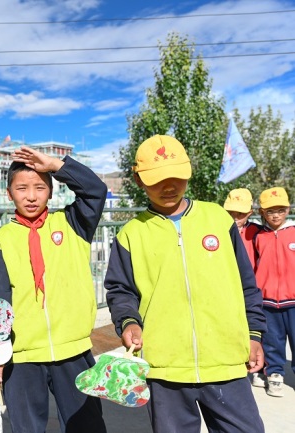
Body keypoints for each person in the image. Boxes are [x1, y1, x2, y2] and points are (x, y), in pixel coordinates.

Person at [105, 135, 266, 433]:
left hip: (227, 361)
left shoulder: (218, 218)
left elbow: (247, 284)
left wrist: (254, 334)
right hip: (165, 369)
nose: (168, 187)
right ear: (138, 180)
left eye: (176, 177)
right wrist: (128, 322)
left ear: (188, 172)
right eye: (156, 180)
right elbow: (120, 291)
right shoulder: (131, 234)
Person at [0, 146, 108, 433]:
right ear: (9, 193)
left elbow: (95, 191)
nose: (31, 196)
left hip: (73, 349)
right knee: (26, 428)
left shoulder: (73, 223)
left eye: (40, 187)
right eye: (22, 188)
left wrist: (56, 164)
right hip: (23, 356)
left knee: (88, 426)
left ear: (51, 191)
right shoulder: (1, 239)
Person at [254, 187, 295, 397]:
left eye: (280, 210)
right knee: (272, 341)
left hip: (294, 301)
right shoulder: (258, 236)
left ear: (287, 209)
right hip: (268, 301)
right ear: (262, 212)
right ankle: (275, 375)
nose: (276, 215)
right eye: (270, 211)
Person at [223, 188, 261, 269]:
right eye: (230, 212)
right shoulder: (219, 231)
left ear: (250, 213)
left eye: (240, 213)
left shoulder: (258, 232)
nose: (235, 217)